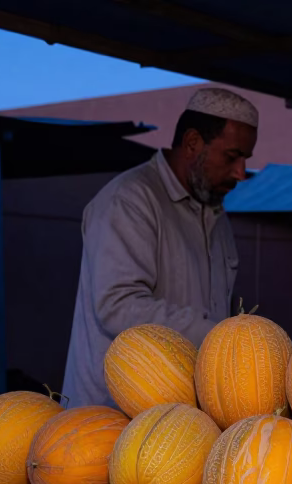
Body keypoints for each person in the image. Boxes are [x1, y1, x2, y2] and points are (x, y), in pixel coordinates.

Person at [61, 88, 258, 407]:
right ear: (193, 143)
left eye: (246, 159)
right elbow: (118, 305)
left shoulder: (216, 216)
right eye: (232, 156)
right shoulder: (128, 200)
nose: (240, 172)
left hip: (183, 419)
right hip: (108, 422)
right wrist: (223, 341)